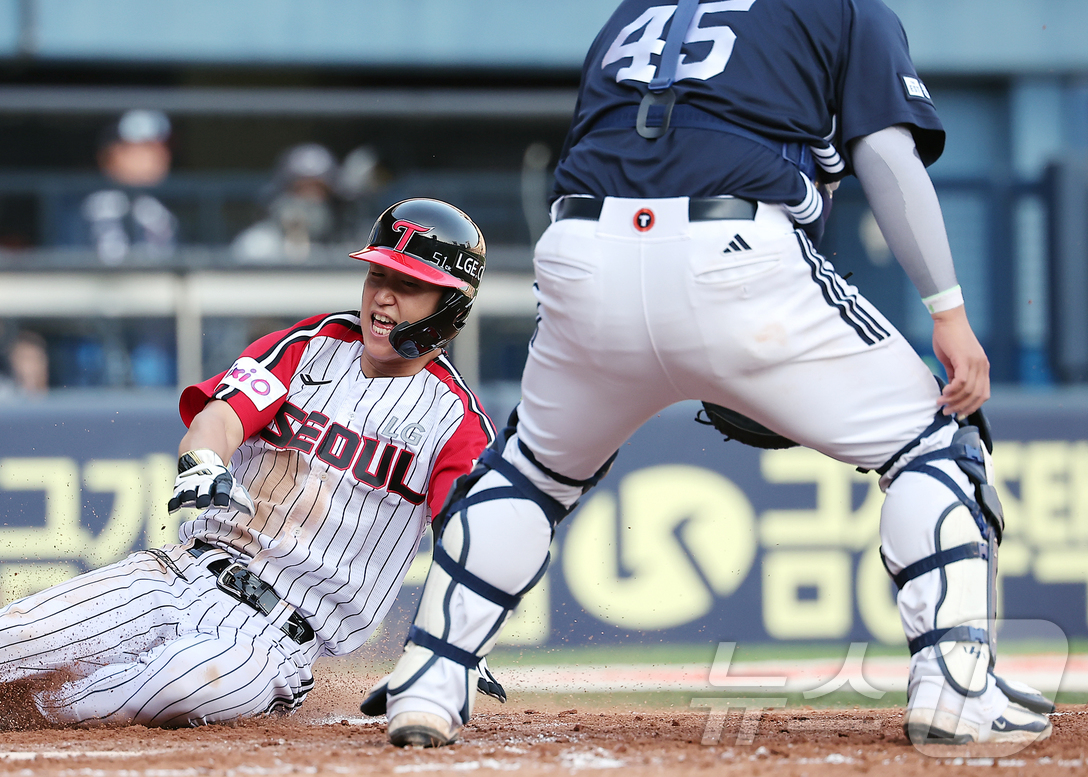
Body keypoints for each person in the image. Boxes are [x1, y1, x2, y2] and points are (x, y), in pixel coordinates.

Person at [366, 0, 1054, 749]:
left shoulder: (638, 11)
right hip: (735, 249)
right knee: (938, 445)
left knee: (529, 472)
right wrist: (947, 312)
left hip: (582, 250)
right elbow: (886, 156)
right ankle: (956, 687)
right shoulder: (845, 8)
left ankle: (430, 678)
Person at [0, 197, 494, 736]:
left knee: (178, 682)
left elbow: (470, 539)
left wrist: (463, 637)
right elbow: (223, 414)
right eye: (378, 276)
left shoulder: (455, 422)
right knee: (8, 631)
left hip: (277, 640)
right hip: (185, 570)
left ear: (450, 307)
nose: (383, 298)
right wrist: (203, 460)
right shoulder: (311, 344)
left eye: (410, 286)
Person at [53, 109, 177, 265]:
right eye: (145, 146)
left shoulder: (165, 210)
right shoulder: (87, 211)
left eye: (161, 145)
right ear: (110, 154)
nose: (159, 154)